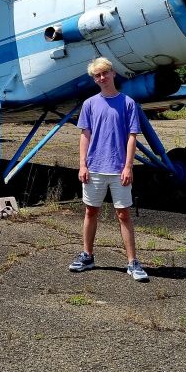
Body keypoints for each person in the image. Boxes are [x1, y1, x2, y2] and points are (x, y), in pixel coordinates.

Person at [69, 57, 149, 281]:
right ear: (94, 79)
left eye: (105, 73)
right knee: (90, 211)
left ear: (113, 73)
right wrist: (82, 165)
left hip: (118, 168)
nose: (102, 77)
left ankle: (132, 262)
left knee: (123, 214)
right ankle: (87, 256)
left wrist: (128, 167)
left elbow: (132, 137)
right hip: (94, 167)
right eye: (97, 75)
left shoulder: (128, 103)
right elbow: (85, 135)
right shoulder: (89, 104)